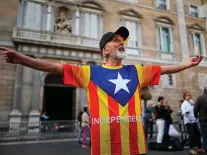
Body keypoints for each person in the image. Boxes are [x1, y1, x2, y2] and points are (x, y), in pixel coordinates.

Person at [0, 26, 203, 155]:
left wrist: (187, 64)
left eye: (122, 40)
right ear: (105, 49)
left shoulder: (137, 71)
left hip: (135, 147)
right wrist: (22, 59)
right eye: (115, 40)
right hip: (104, 148)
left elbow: (165, 69)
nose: (121, 42)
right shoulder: (90, 72)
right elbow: (55, 67)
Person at [194, 88, 207, 152]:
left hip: (203, 119)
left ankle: (206, 148)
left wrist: (196, 116)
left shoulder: (200, 98)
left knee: (204, 135)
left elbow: (195, 109)